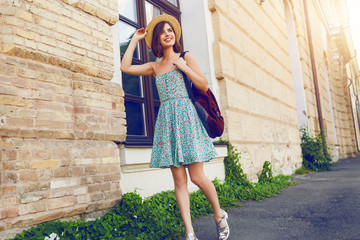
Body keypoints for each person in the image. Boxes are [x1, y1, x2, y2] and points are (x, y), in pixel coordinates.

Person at [120, 15, 230, 240]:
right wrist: (134, 39)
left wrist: (184, 68)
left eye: (171, 30)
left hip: (187, 119)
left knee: (197, 178)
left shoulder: (185, 56)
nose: (168, 33)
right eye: (163, 32)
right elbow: (125, 67)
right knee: (179, 181)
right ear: (158, 39)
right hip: (168, 122)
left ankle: (219, 214)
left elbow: (203, 85)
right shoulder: (154, 66)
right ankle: (190, 233)